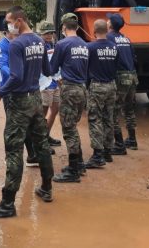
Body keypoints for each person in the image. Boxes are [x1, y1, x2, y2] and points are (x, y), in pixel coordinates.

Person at [0, 6, 54, 219]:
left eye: (10, 22)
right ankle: (47, 188)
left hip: (20, 100)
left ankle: (7, 204)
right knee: (41, 144)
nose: (9, 26)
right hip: (35, 97)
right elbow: (48, 71)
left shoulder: (16, 44)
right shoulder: (40, 41)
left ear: (20, 21)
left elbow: (15, 76)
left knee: (13, 150)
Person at [50, 13, 89, 183]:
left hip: (70, 88)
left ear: (64, 28)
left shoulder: (62, 43)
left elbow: (52, 68)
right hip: (81, 88)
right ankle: (79, 164)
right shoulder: (84, 44)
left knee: (68, 128)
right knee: (73, 126)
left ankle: (73, 170)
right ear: (77, 28)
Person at [0, 23, 40, 165]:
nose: (16, 34)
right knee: (12, 125)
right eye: (13, 32)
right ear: (6, 32)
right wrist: (18, 76)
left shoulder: (21, 42)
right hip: (9, 88)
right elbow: (3, 66)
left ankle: (32, 154)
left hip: (24, 89)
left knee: (26, 123)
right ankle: (11, 156)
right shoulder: (3, 46)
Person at [85, 19, 118, 167]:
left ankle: (97, 155)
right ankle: (108, 151)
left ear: (94, 30)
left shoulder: (90, 47)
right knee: (108, 118)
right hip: (111, 85)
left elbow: (85, 68)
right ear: (107, 30)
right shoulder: (114, 47)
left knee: (95, 119)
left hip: (97, 86)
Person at [107, 14, 139, 153]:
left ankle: (119, 144)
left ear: (110, 25)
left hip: (121, 77)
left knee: (113, 111)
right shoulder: (126, 38)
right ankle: (132, 140)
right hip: (132, 76)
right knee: (129, 109)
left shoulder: (109, 38)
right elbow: (134, 58)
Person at [37, 21, 62, 148]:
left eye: (51, 33)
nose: (49, 35)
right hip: (44, 83)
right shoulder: (39, 45)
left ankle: (46, 135)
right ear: (41, 33)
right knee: (43, 112)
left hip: (55, 82)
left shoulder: (54, 44)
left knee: (55, 109)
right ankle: (41, 141)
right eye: (46, 33)